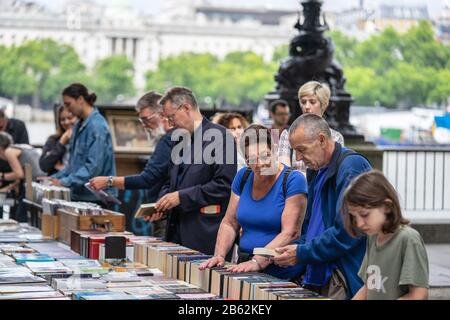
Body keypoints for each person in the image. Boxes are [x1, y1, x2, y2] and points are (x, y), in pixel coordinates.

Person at [272, 114, 372, 300]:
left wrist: (301, 252)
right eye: (295, 151)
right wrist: (293, 249)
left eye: (302, 150)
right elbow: (312, 229)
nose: (299, 158)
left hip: (341, 275)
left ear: (321, 140)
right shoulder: (316, 171)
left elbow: (348, 231)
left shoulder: (351, 166)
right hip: (319, 272)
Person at [199, 125, 308, 279]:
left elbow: (291, 232)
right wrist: (220, 255)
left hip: (281, 271)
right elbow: (230, 223)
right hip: (246, 265)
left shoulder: (293, 180)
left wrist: (258, 260)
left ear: (274, 150)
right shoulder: (243, 176)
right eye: (252, 159)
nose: (260, 164)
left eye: (265, 156)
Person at [149, 87, 237, 256]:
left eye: (171, 116)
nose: (169, 122)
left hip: (204, 233)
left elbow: (224, 185)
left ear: (186, 108)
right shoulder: (178, 138)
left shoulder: (221, 137)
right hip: (175, 231)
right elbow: (171, 180)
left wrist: (180, 197)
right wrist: (163, 202)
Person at [89, 91, 174, 237]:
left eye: (146, 120)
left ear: (162, 114)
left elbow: (147, 178)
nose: (144, 126)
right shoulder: (178, 139)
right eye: (142, 122)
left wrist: (109, 181)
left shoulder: (168, 140)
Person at [342, 171, 429, 300]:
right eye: (354, 217)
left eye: (365, 214)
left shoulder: (408, 239)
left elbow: (419, 294)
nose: (359, 223)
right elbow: (369, 286)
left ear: (387, 206)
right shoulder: (373, 237)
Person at [51, 83, 116, 202]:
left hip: (96, 198)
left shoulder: (97, 127)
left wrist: (63, 182)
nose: (67, 109)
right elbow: (72, 165)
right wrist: (53, 179)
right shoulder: (78, 125)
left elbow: (93, 168)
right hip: (79, 195)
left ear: (80, 99)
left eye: (68, 104)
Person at [278, 81, 344, 170]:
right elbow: (284, 172)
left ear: (323, 104)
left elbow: (333, 171)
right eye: (303, 102)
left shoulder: (335, 137)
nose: (307, 106)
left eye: (312, 102)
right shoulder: (287, 135)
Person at [0, 132, 46, 221]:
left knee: (21, 216)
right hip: (41, 183)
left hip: (33, 184)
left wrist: (2, 176)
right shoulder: (21, 146)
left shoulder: (9, 151)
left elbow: (19, 174)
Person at [39, 105, 77, 175]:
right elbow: (43, 165)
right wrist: (61, 143)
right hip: (55, 180)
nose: (66, 122)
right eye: (62, 119)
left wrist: (64, 168)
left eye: (70, 118)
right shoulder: (53, 139)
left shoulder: (82, 138)